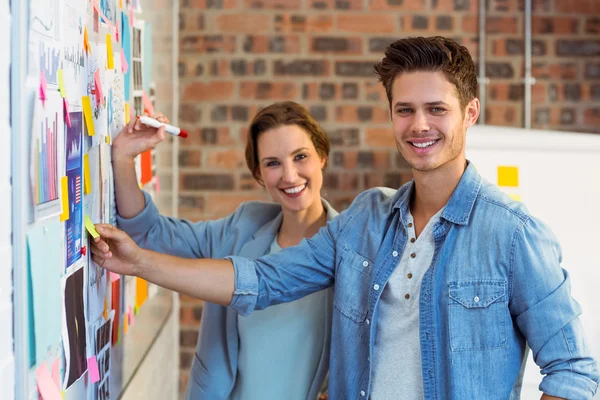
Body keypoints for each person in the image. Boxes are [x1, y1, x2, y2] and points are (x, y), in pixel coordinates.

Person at [92, 36, 599, 399]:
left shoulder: (511, 233)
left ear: (470, 112)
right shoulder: (366, 221)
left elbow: (574, 370)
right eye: (404, 110)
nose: (419, 125)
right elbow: (262, 278)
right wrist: (139, 264)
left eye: (436, 109)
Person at [109, 101, 338, 399]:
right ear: (258, 174)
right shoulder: (243, 229)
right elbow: (150, 233)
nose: (290, 176)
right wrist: (124, 158)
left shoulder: (352, 248)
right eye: (272, 163)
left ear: (322, 157)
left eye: (301, 157)